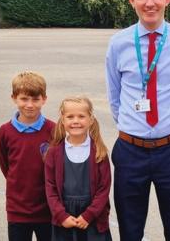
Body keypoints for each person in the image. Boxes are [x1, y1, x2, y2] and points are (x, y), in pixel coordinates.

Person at [105, 0, 170, 240]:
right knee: (130, 231)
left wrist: (168, 125)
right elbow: (114, 96)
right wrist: (135, 128)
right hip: (130, 151)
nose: (150, 3)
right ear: (132, 0)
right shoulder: (118, 43)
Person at [45, 96, 112, 241]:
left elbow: (103, 189)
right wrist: (61, 216)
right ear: (63, 120)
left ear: (90, 119)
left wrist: (89, 215)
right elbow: (50, 189)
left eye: (81, 116)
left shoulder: (99, 151)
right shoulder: (54, 152)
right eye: (70, 116)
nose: (76, 121)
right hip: (65, 218)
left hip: (92, 218)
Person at [0, 71, 54, 241]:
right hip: (17, 211)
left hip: (48, 210)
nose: (29, 105)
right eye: (24, 99)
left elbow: (57, 168)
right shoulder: (5, 132)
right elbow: (5, 166)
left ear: (44, 99)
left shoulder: (54, 129)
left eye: (35, 99)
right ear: (14, 98)